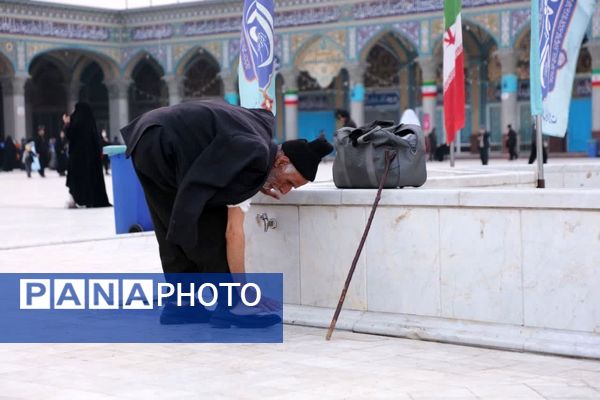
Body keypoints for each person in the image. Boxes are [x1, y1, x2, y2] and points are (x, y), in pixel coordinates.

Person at [121, 100, 333, 326]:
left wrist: (256, 179)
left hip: (147, 135)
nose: (284, 190)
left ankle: (182, 306)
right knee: (207, 223)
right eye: (289, 182)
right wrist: (244, 291)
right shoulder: (255, 156)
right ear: (281, 160)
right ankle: (233, 306)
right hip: (167, 144)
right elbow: (233, 233)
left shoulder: (259, 139)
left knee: (169, 222)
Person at [63, 103, 111, 208]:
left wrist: (67, 124)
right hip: (91, 159)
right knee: (92, 178)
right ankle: (92, 200)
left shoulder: (76, 122)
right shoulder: (91, 124)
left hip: (77, 158)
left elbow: (69, 135)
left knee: (77, 180)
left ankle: (79, 200)